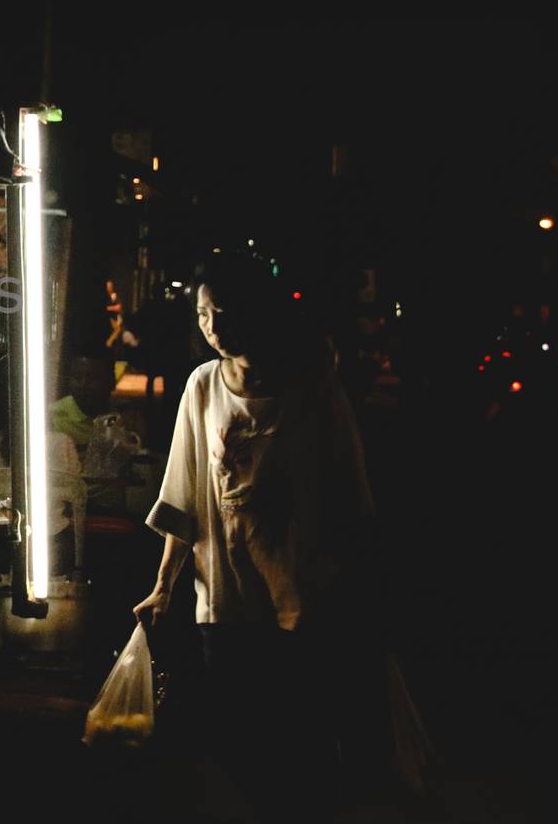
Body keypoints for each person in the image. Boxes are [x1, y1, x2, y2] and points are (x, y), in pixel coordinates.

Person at [132, 252, 386, 821]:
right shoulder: (201, 387)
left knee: (299, 741)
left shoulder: (313, 386)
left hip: (303, 594)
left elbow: (351, 487)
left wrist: (355, 578)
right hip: (223, 595)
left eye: (224, 312)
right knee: (234, 738)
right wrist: (164, 585)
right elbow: (186, 492)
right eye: (202, 315)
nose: (214, 328)